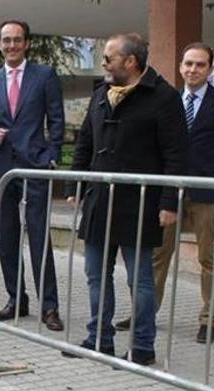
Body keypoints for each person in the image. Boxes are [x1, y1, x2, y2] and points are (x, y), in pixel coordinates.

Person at [63, 33, 189, 366]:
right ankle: (99, 339)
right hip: (100, 200)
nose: (103, 63)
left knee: (140, 279)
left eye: (108, 58)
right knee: (95, 274)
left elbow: (176, 154)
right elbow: (85, 143)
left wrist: (169, 202)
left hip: (141, 204)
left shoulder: (163, 97)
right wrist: (76, 183)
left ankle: (143, 347)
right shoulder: (101, 94)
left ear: (130, 62)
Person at [145, 42, 214, 344]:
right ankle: (145, 313)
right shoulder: (169, 101)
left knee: (209, 258)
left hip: (207, 192)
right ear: (180, 66)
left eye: (200, 65)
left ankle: (209, 320)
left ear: (210, 69)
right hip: (170, 192)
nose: (193, 69)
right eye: (188, 63)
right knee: (157, 255)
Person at [0, 19, 65, 332]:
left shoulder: (44, 76)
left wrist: (51, 157)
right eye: (6, 40)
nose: (11, 45)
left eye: (17, 40)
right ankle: (16, 299)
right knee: (7, 238)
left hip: (35, 166)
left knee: (39, 236)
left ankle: (49, 307)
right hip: (1, 169)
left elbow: (56, 119)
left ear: (26, 43)